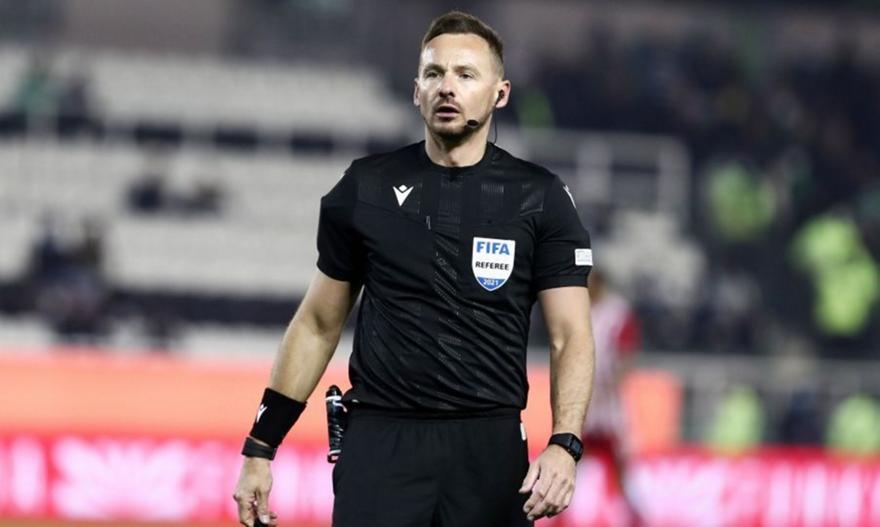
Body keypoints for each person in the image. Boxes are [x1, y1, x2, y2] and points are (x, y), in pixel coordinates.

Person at [233, 11, 596, 527]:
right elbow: (317, 324)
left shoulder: (540, 198)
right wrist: (260, 447)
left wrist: (565, 444)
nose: (447, 87)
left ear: (500, 94)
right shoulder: (365, 188)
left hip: (488, 450)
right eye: (434, 73)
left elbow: (570, 335)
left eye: (466, 74)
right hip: (381, 445)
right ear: (416, 92)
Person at [582, 270, 642, 526]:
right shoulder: (579, 308)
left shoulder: (616, 311)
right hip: (583, 399)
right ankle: (560, 513)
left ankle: (632, 515)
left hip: (608, 400)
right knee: (570, 455)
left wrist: (615, 383)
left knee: (621, 463)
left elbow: (625, 352)